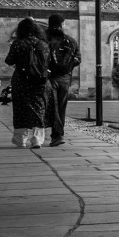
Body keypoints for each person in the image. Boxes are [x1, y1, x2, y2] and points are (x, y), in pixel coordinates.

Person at [5, 17, 51, 148]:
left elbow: (9, 60)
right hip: (41, 81)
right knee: (39, 108)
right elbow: (49, 62)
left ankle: (20, 140)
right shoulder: (43, 44)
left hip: (21, 80)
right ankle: (37, 139)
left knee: (20, 109)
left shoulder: (18, 43)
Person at [46, 13, 81, 148]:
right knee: (60, 107)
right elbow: (78, 59)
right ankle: (58, 135)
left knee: (52, 106)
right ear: (61, 24)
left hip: (48, 77)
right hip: (65, 78)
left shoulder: (44, 39)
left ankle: (55, 135)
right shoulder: (71, 41)